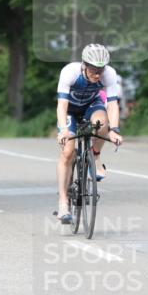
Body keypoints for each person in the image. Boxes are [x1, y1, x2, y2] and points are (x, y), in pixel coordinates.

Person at [55, 43, 123, 224]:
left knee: (102, 124)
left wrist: (114, 130)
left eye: (101, 69)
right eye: (94, 69)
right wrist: (63, 130)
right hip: (70, 110)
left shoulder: (109, 74)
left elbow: (112, 104)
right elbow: (62, 104)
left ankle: (95, 155)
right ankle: (63, 202)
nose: (98, 74)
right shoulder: (70, 72)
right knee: (68, 152)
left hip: (91, 107)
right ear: (84, 65)